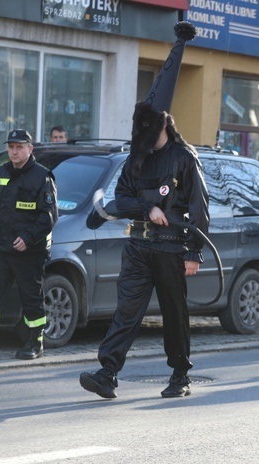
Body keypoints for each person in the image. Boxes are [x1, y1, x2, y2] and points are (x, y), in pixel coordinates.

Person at [79, 21, 208, 399]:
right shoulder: (137, 156)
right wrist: (148, 206)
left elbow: (200, 205)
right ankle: (107, 373)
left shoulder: (184, 157)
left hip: (171, 247)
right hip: (138, 245)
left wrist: (194, 251)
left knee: (174, 314)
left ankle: (180, 375)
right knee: (127, 310)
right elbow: (121, 199)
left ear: (163, 123)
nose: (142, 137)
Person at [0, 129, 58, 360]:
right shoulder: (1, 172)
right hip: (3, 247)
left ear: (29, 149)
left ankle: (35, 343)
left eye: (19, 147)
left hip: (29, 251)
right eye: (11, 147)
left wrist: (27, 238)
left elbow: (49, 216)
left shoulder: (42, 176)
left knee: (31, 298)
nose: (14, 151)